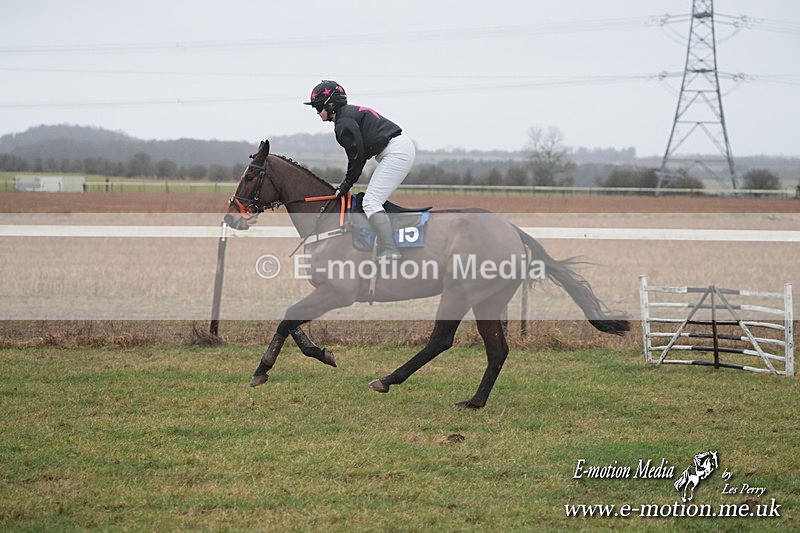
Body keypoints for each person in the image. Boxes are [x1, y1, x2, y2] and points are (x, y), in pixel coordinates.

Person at [304, 80, 415, 260]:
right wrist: (347, 183)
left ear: (331, 105)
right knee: (371, 200)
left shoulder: (343, 123)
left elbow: (357, 157)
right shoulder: (346, 116)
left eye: (318, 107)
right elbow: (358, 157)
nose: (317, 112)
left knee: (370, 202)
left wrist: (346, 185)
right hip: (397, 149)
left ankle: (389, 249)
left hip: (396, 152)